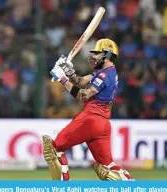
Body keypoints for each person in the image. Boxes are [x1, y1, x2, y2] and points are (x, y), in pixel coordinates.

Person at [43, 39, 134, 180]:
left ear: (107, 55)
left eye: (97, 54)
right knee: (107, 166)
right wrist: (68, 71)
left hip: (90, 119)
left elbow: (83, 95)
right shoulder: (108, 72)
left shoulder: (104, 75)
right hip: (102, 123)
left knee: (53, 149)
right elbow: (80, 81)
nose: (93, 57)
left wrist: (62, 78)